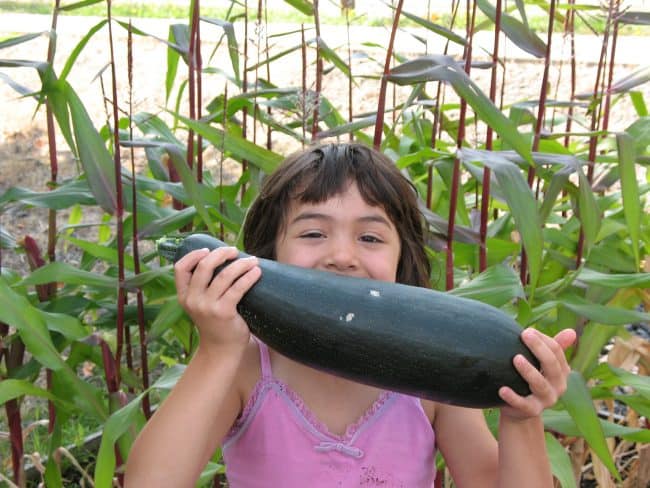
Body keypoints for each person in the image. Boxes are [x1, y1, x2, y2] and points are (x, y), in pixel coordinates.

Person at [125, 142, 576, 487]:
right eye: (314, 232)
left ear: (403, 264)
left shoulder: (432, 378)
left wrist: (521, 417)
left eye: (371, 239)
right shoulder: (247, 369)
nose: (341, 256)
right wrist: (218, 350)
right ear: (266, 259)